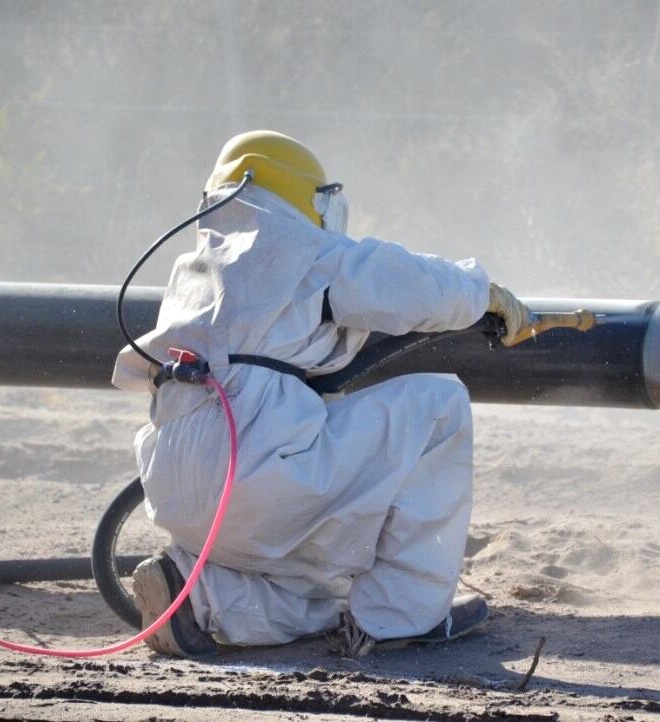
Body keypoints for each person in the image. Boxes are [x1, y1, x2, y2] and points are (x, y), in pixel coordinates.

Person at [111, 130, 532, 658]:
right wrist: (480, 293)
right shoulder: (294, 246)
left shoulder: (196, 273)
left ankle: (200, 598)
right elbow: (403, 283)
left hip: (176, 492)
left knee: (316, 581)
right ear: (303, 197)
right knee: (439, 407)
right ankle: (406, 616)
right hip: (251, 473)